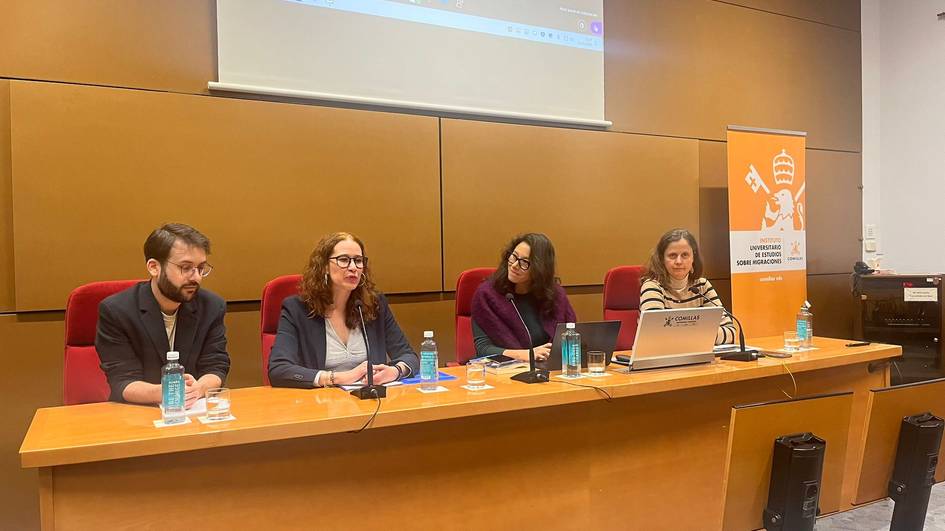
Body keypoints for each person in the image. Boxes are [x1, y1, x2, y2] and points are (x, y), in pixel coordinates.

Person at [96, 223, 230, 405]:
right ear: (154, 267)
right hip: (138, 413)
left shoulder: (212, 306)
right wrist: (169, 391)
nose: (196, 277)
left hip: (194, 411)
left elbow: (216, 365)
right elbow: (122, 381)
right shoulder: (117, 311)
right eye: (186, 267)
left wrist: (199, 388)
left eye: (201, 268)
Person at [268, 232, 419, 388]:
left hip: (372, 401)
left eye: (358, 261)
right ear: (324, 266)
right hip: (321, 405)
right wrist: (337, 378)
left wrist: (395, 371)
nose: (353, 267)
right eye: (344, 260)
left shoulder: (373, 305)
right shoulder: (297, 309)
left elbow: (409, 356)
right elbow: (278, 369)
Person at [470, 233, 576, 362]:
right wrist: (526, 355)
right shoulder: (486, 295)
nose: (514, 265)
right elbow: (483, 349)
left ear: (540, 269)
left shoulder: (556, 296)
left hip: (549, 369)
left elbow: (572, 338)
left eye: (524, 262)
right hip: (504, 371)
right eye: (513, 257)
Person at [640, 228, 736, 345]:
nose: (679, 261)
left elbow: (731, 332)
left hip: (698, 358)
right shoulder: (652, 287)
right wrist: (702, 334)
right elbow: (655, 334)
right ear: (661, 259)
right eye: (672, 255)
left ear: (693, 258)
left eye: (685, 255)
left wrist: (690, 336)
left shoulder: (702, 286)